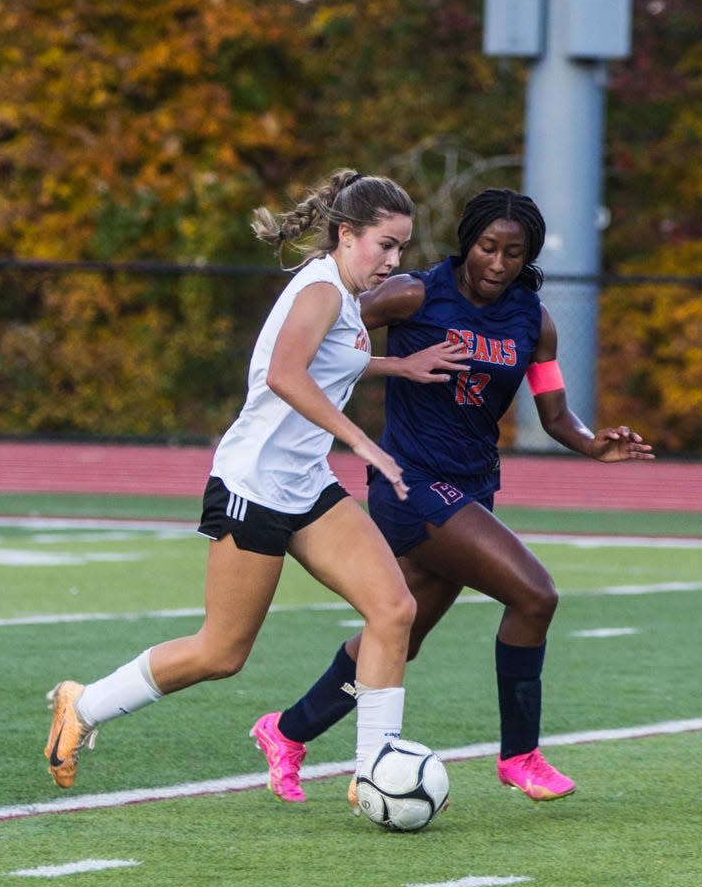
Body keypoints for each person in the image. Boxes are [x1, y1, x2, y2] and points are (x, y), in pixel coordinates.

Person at [44, 168, 465, 791]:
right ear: (347, 235)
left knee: (394, 608)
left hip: (307, 484)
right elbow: (285, 375)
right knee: (221, 653)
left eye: (403, 247)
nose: (394, 260)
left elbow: (333, 358)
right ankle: (80, 708)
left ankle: (375, 768)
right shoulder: (321, 289)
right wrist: (358, 440)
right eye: (386, 245)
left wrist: (398, 364)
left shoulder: (346, 294)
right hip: (253, 488)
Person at [250, 187, 655, 805]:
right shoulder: (414, 293)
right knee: (535, 595)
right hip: (409, 482)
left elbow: (554, 414)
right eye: (488, 247)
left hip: (473, 486)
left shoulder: (534, 321)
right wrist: (389, 370)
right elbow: (332, 335)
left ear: (528, 257)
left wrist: (592, 444)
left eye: (513, 254)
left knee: (399, 638)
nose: (498, 263)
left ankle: (286, 730)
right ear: (467, 242)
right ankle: (521, 757)